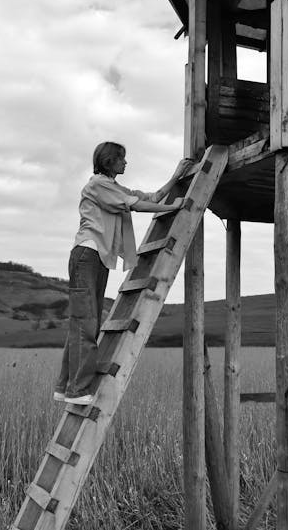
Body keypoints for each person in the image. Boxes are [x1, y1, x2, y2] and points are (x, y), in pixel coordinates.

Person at [55, 141, 193, 405]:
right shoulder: (98, 185)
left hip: (96, 257)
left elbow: (148, 198)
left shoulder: (113, 187)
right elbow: (138, 206)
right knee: (86, 322)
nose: (126, 163)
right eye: (122, 159)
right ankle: (78, 390)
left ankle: (65, 386)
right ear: (110, 162)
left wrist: (176, 176)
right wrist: (174, 209)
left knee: (86, 322)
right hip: (87, 254)